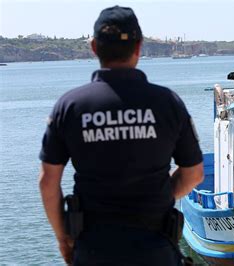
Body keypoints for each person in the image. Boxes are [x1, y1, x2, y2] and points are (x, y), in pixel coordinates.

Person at [38, 6, 203, 265]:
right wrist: (158, 199)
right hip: (155, 249)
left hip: (94, 249)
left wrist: (63, 238)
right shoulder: (168, 103)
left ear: (93, 47)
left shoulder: (70, 106)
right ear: (139, 47)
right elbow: (193, 174)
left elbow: (48, 181)